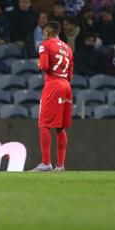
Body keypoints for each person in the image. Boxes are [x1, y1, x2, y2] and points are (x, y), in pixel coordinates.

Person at [31, 21, 74, 172]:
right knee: (60, 128)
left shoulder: (46, 44)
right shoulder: (68, 48)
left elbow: (43, 66)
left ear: (48, 32)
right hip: (66, 86)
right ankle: (60, 165)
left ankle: (45, 163)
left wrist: (38, 64)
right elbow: (70, 74)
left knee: (44, 124)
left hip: (53, 85)